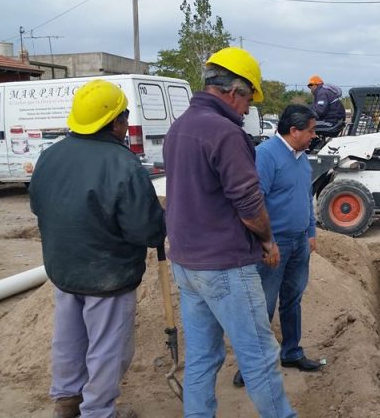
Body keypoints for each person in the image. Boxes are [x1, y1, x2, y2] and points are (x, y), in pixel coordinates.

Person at [163, 47, 295, 418]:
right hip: (224, 265)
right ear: (234, 91)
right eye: (249, 98)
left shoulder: (180, 127)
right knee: (259, 356)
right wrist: (267, 241)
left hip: (187, 264)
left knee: (203, 358)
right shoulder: (224, 132)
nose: (249, 108)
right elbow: (250, 205)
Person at [29, 79, 165, 418]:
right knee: (107, 348)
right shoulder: (123, 164)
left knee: (68, 339)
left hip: (63, 269)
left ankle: (66, 401)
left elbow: (37, 206)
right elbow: (145, 230)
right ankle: (98, 412)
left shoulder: (50, 156)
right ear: (115, 122)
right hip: (109, 274)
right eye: (125, 117)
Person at [232, 104, 320, 387]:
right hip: (274, 244)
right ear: (294, 131)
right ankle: (251, 365)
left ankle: (291, 352)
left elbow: (306, 198)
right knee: (264, 305)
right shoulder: (267, 156)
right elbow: (255, 201)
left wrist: (310, 231)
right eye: (310, 130)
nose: (314, 135)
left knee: (292, 299)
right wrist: (266, 242)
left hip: (298, 243)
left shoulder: (302, 158)